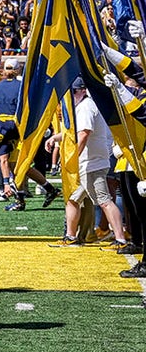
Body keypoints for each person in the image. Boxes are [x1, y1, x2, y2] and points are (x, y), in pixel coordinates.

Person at [59, 78, 129, 249]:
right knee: (73, 199)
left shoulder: (86, 106)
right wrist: (56, 138)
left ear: (82, 90)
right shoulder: (85, 105)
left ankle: (120, 238)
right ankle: (70, 236)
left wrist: (72, 157)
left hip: (91, 162)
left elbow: (84, 134)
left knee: (104, 200)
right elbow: (77, 133)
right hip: (89, 162)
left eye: (73, 92)